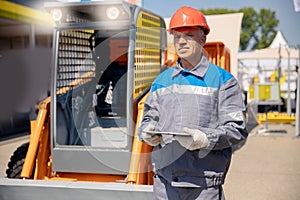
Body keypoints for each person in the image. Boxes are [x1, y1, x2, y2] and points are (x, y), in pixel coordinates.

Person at [138, 6, 248, 200]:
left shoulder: (224, 81)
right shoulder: (161, 81)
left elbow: (236, 129)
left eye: (188, 35)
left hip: (203, 186)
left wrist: (206, 139)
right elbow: (148, 118)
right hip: (165, 182)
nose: (181, 41)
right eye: (177, 36)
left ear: (203, 39)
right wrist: (147, 131)